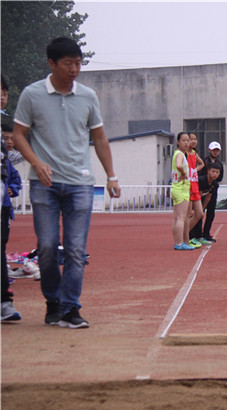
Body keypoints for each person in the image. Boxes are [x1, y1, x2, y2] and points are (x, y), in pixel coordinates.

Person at [12, 37, 121, 328]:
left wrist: (111, 175)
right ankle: (53, 301)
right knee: (47, 247)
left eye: (78, 63)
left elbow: (99, 137)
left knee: (75, 249)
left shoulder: (87, 96)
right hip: (43, 184)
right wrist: (36, 162)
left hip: (80, 184)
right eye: (68, 63)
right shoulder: (32, 95)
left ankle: (71, 308)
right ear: (51, 63)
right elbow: (19, 134)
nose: (74, 69)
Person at [1, 75, 21, 322]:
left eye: (4, 92)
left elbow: (11, 171)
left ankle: (4, 302)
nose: (2, 96)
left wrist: (11, 189)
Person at [192, 141, 224, 242]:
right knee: (200, 212)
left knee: (211, 213)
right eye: (213, 150)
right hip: (202, 188)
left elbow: (220, 178)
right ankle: (198, 235)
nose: (215, 152)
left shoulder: (219, 164)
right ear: (209, 150)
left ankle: (206, 233)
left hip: (212, 189)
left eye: (217, 150)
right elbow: (199, 175)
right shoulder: (204, 161)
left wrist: (213, 181)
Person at [171, 132, 193, 250]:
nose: (186, 143)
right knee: (181, 217)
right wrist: (184, 173)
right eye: (183, 140)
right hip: (181, 188)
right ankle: (179, 243)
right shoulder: (180, 154)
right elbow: (179, 166)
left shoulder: (176, 154)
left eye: (187, 140)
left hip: (175, 188)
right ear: (178, 142)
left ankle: (177, 241)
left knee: (176, 217)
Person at [185, 132, 206, 248]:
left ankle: (184, 234)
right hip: (186, 185)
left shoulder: (194, 153)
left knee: (200, 213)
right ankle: (185, 238)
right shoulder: (183, 154)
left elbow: (202, 163)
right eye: (190, 139)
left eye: (195, 139)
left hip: (195, 185)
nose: (193, 141)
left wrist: (194, 170)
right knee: (188, 214)